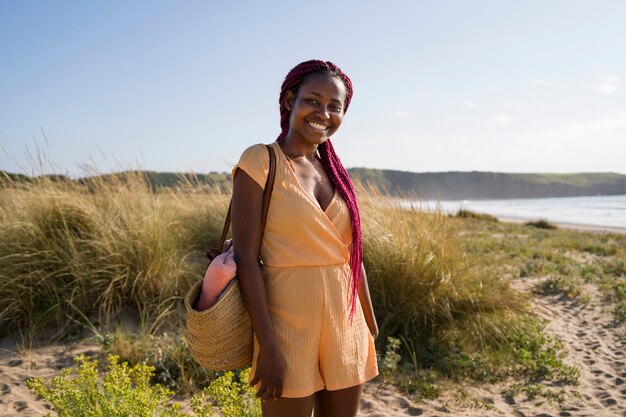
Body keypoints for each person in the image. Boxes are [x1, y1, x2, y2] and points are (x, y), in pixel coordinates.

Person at [231, 60, 379, 417]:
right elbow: (246, 258)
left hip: (345, 322)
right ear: (288, 100)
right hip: (285, 326)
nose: (323, 113)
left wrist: (370, 324)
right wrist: (267, 345)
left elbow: (351, 253)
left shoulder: (335, 172)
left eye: (335, 106)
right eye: (313, 100)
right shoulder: (260, 160)